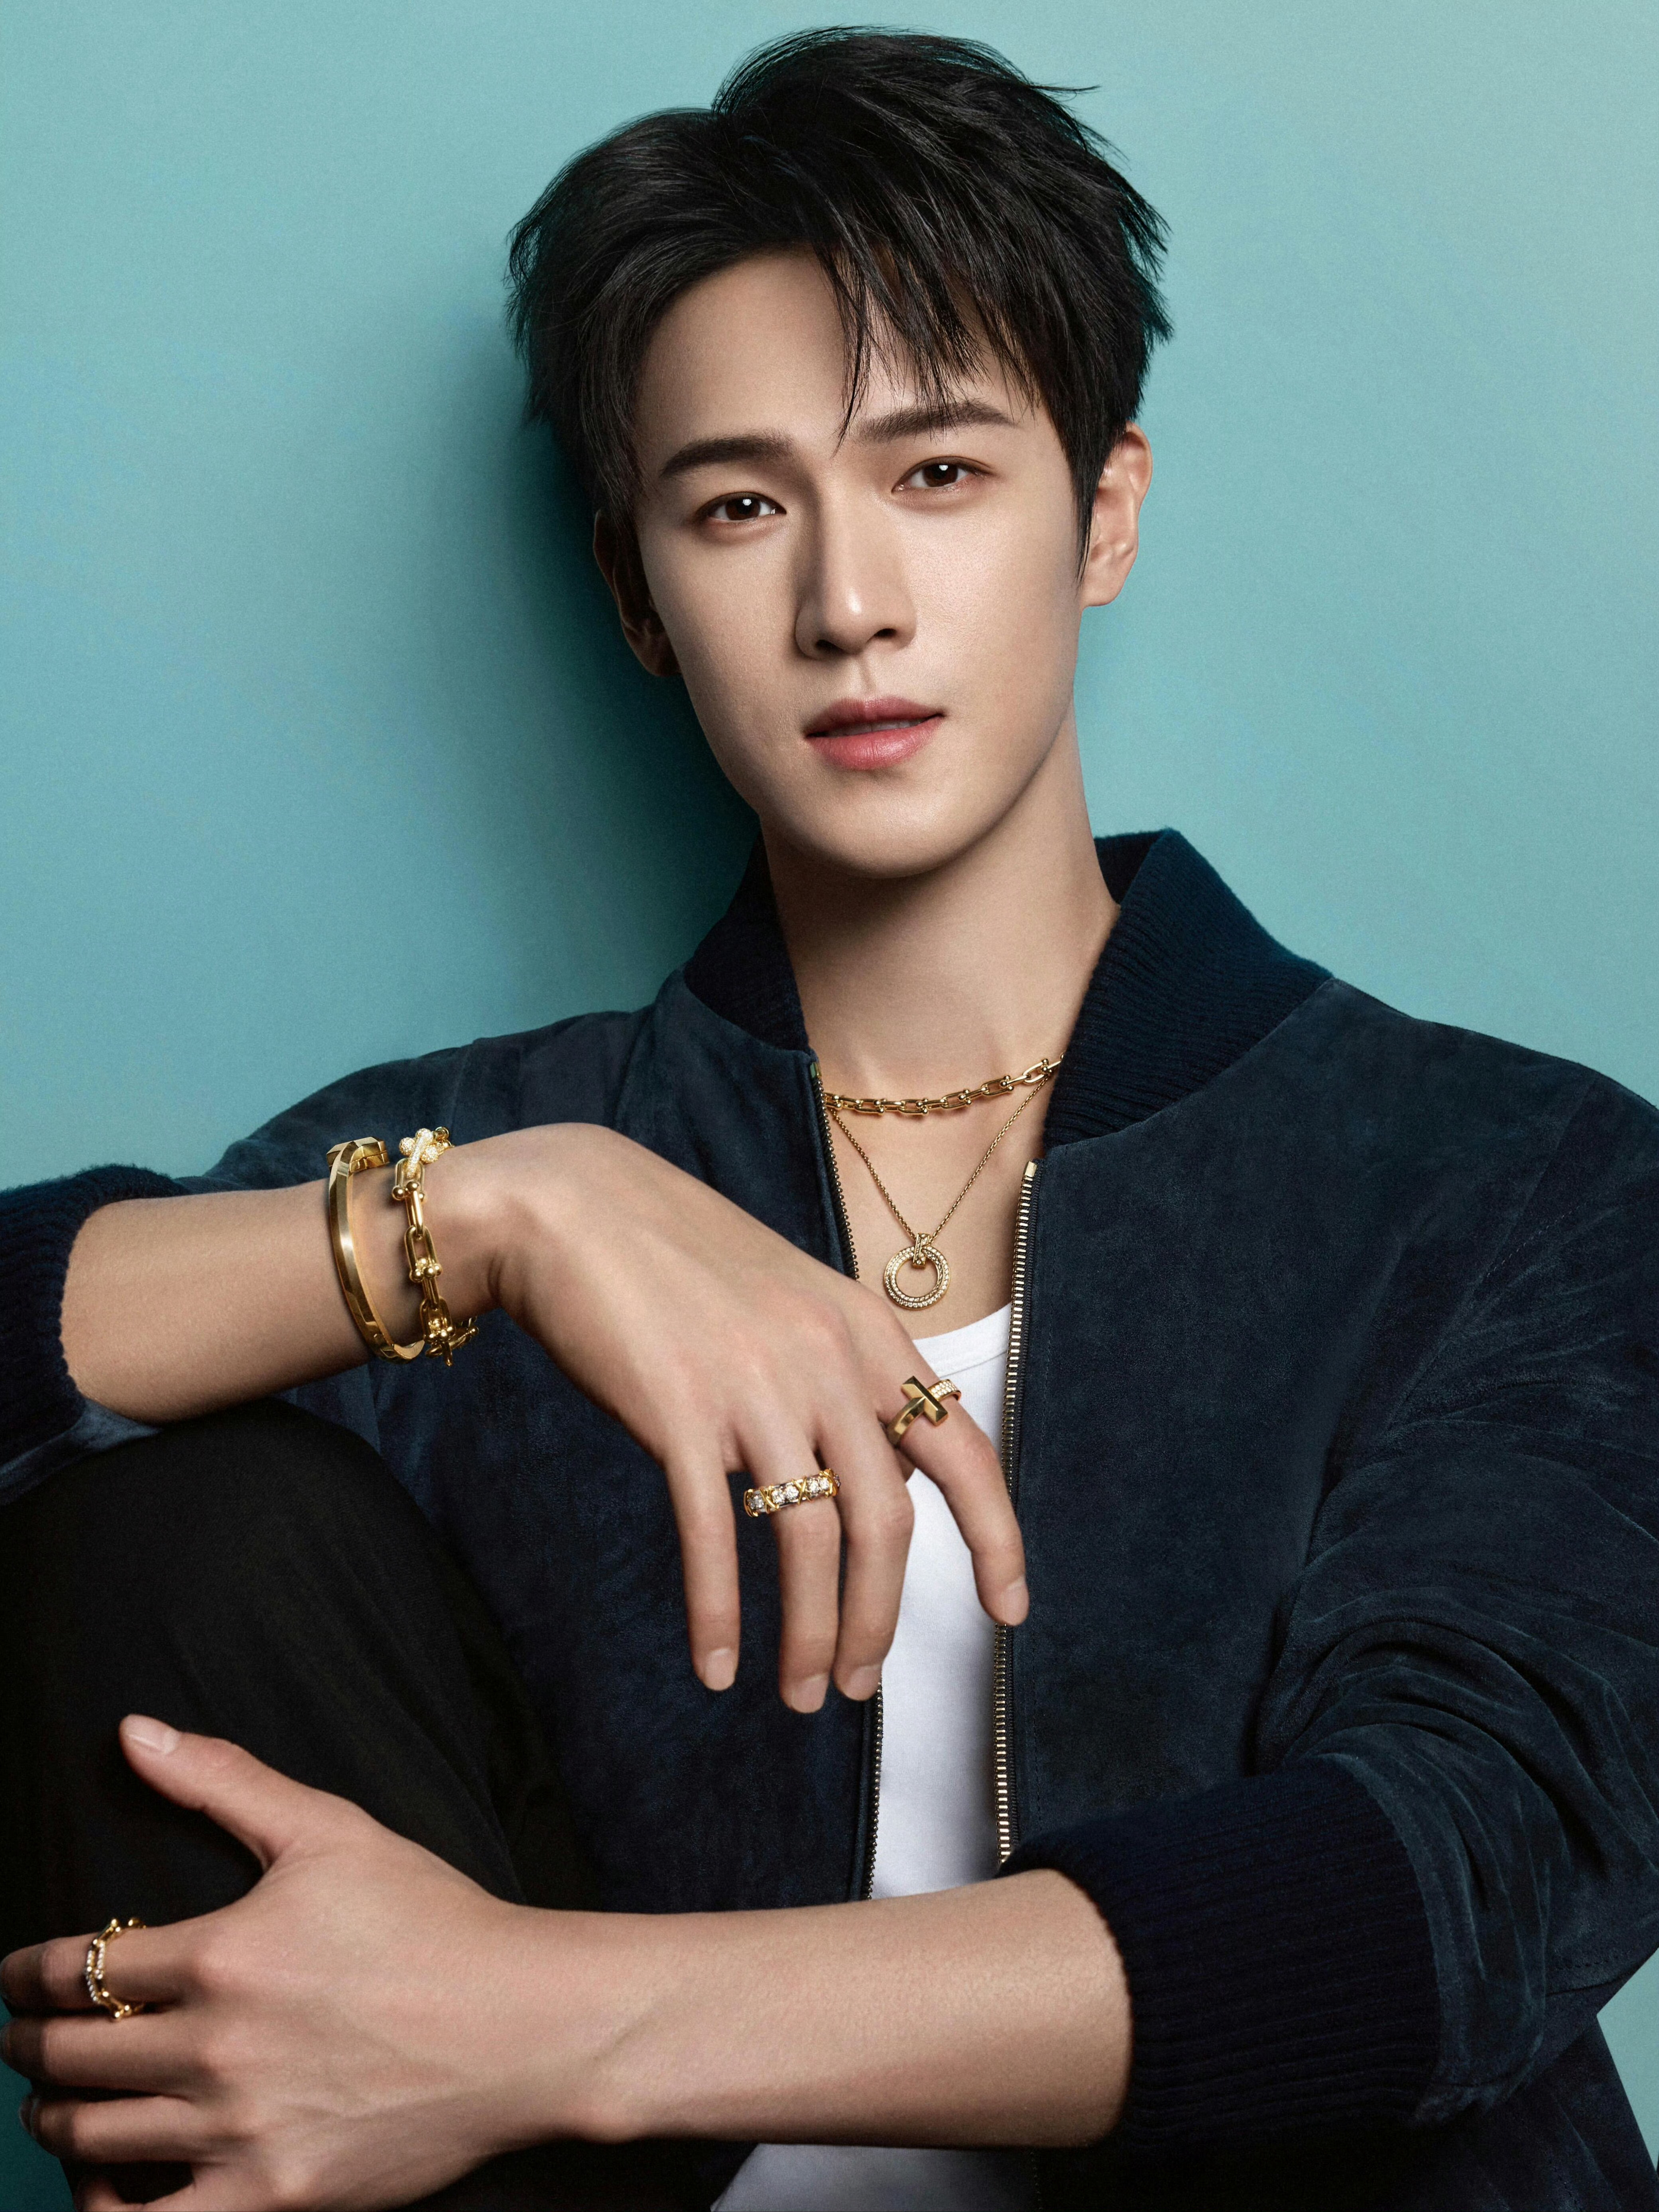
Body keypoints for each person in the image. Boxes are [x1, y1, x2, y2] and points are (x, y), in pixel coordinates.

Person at [2, 26, 1656, 2212]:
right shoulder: (486, 1154)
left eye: (938, 473)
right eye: (739, 505)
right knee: (154, 1522)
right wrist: (502, 1218)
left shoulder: (1505, 1185)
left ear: (1106, 513)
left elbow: (1455, 1885)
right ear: (636, 594)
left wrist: (520, 2027)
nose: (846, 602)